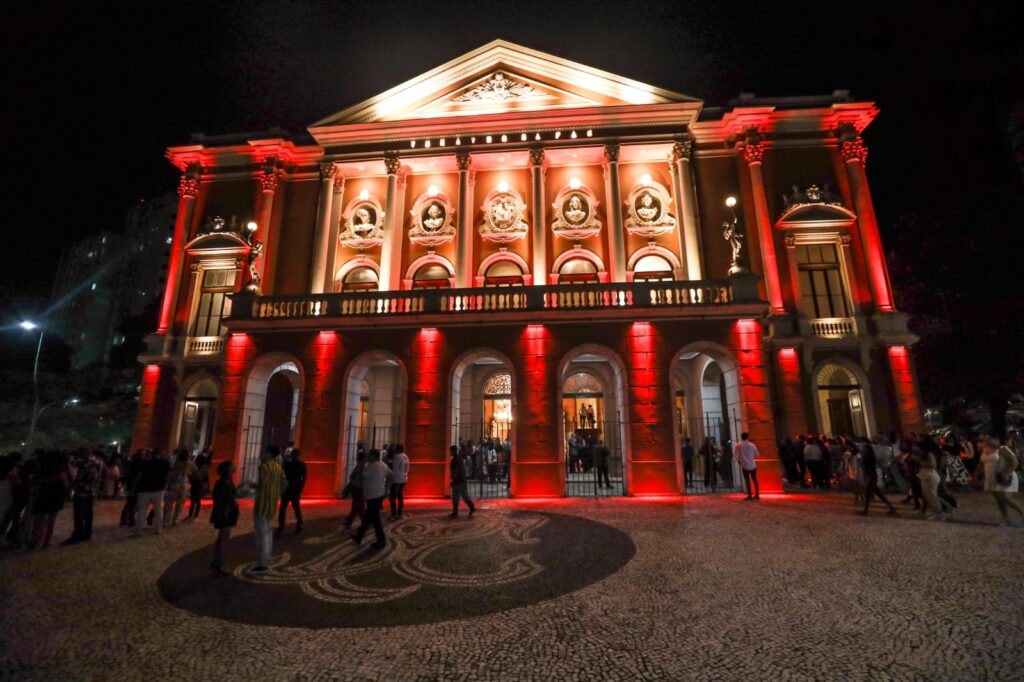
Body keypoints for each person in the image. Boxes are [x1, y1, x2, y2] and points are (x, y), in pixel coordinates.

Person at [251, 445, 285, 573]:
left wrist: (250, 484)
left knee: (261, 534)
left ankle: (262, 563)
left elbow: (261, 484)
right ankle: (267, 557)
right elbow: (284, 484)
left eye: (264, 452)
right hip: (272, 504)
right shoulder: (278, 467)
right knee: (268, 532)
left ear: (269, 454)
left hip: (262, 503)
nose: (262, 454)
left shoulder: (264, 467)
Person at [976, 437, 1024, 527]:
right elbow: (981, 463)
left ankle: (1022, 513)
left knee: (1005, 498)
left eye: (984, 444)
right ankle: (1006, 519)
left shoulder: (1002, 449)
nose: (982, 446)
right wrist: (976, 475)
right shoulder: (985, 450)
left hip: (1004, 477)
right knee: (999, 500)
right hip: (992, 478)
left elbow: (1014, 462)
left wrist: (1006, 472)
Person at [63, 450, 105, 544]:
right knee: (88, 514)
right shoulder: (96, 464)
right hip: (90, 491)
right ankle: (87, 532)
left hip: (81, 492)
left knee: (78, 514)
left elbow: (78, 477)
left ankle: (78, 532)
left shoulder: (82, 465)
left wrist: (70, 487)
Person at [30, 451, 68, 549]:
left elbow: (34, 482)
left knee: (38, 521)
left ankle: (35, 541)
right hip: (56, 497)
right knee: (51, 521)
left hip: (42, 496)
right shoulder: (61, 473)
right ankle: (46, 542)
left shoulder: (42, 471)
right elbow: (66, 485)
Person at [352, 449, 389, 548]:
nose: (367, 457)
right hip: (378, 495)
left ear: (373, 456)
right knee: (369, 518)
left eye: (369, 455)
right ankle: (359, 536)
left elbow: (359, 476)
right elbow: (390, 475)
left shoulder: (370, 467)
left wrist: (361, 463)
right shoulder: (383, 465)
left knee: (375, 520)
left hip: (373, 496)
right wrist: (386, 489)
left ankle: (382, 541)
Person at [209, 461, 239, 575]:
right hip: (225, 514)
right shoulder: (224, 483)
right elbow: (223, 499)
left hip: (225, 512)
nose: (234, 467)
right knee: (223, 539)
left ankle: (216, 561)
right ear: (228, 470)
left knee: (222, 538)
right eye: (232, 466)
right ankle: (220, 564)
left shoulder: (224, 482)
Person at [133, 450, 170, 536]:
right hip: (159, 489)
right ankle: (157, 528)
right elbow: (168, 474)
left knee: (142, 510)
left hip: (144, 489)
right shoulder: (164, 463)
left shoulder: (145, 463)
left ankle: (138, 530)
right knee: (159, 510)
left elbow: (139, 474)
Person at [857, 442, 896, 516]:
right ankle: (891, 508)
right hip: (871, 476)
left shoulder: (869, 458)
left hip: (871, 477)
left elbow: (868, 469)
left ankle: (866, 510)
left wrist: (867, 478)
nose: (864, 451)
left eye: (865, 449)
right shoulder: (869, 457)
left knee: (869, 494)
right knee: (878, 494)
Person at [164, 449, 196, 526]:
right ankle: (175, 519)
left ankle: (166, 520)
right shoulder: (190, 463)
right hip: (184, 484)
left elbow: (172, 474)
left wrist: (168, 484)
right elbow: (196, 471)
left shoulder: (176, 462)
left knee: (170, 503)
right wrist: (189, 475)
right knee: (180, 503)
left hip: (175, 483)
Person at [278, 448, 306, 534]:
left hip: (287, 487)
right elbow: (304, 477)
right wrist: (301, 487)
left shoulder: (287, 464)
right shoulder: (301, 464)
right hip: (296, 488)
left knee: (283, 507)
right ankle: (299, 523)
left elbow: (282, 473)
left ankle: (281, 525)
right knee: (296, 507)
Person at [449, 445, 476, 518]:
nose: (450, 452)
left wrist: (453, 480)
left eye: (451, 450)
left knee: (455, 497)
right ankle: (472, 508)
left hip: (458, 481)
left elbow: (456, 470)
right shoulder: (459, 458)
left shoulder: (455, 460)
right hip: (463, 480)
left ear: (454, 451)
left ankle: (455, 513)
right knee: (465, 496)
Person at [342, 451, 366, 529]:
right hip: (358, 487)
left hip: (358, 487)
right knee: (356, 505)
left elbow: (356, 476)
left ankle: (364, 522)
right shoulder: (363, 465)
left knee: (358, 506)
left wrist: (352, 477)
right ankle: (350, 520)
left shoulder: (361, 466)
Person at [734, 433, 759, 500]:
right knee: (754, 479)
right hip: (752, 464)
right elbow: (757, 454)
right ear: (748, 437)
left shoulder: (738, 445)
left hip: (744, 465)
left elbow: (735, 456)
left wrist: (739, 462)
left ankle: (750, 495)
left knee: (747, 480)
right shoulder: (752, 445)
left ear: (741, 437)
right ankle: (757, 494)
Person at [185, 455, 209, 522]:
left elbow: (191, 475)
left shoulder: (195, 466)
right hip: (199, 484)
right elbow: (206, 478)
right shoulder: (205, 467)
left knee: (193, 500)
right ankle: (195, 515)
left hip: (195, 483)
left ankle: (191, 514)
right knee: (197, 501)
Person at [388, 444, 409, 519]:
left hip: (397, 479)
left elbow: (395, 468)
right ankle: (399, 512)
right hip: (403, 478)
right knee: (400, 496)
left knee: (392, 497)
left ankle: (394, 513)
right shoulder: (405, 456)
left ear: (397, 449)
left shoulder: (397, 457)